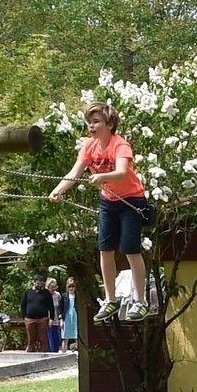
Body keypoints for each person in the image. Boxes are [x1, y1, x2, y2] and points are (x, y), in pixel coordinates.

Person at [50, 103, 158, 320]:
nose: (91, 126)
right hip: (109, 201)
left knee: (130, 249)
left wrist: (101, 177)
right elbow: (75, 172)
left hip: (131, 201)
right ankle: (110, 300)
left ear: (109, 124)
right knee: (105, 249)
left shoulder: (120, 145)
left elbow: (121, 172)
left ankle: (140, 302)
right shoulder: (89, 147)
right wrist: (58, 190)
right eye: (89, 122)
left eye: (96, 121)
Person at [21, 271, 53, 352]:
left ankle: (44, 355)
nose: (39, 285)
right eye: (38, 283)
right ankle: (30, 355)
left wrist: (51, 318)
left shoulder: (46, 293)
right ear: (34, 282)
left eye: (41, 284)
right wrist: (24, 317)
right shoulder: (28, 292)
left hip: (42, 319)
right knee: (31, 339)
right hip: (30, 319)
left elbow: (51, 306)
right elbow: (23, 305)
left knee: (43, 339)